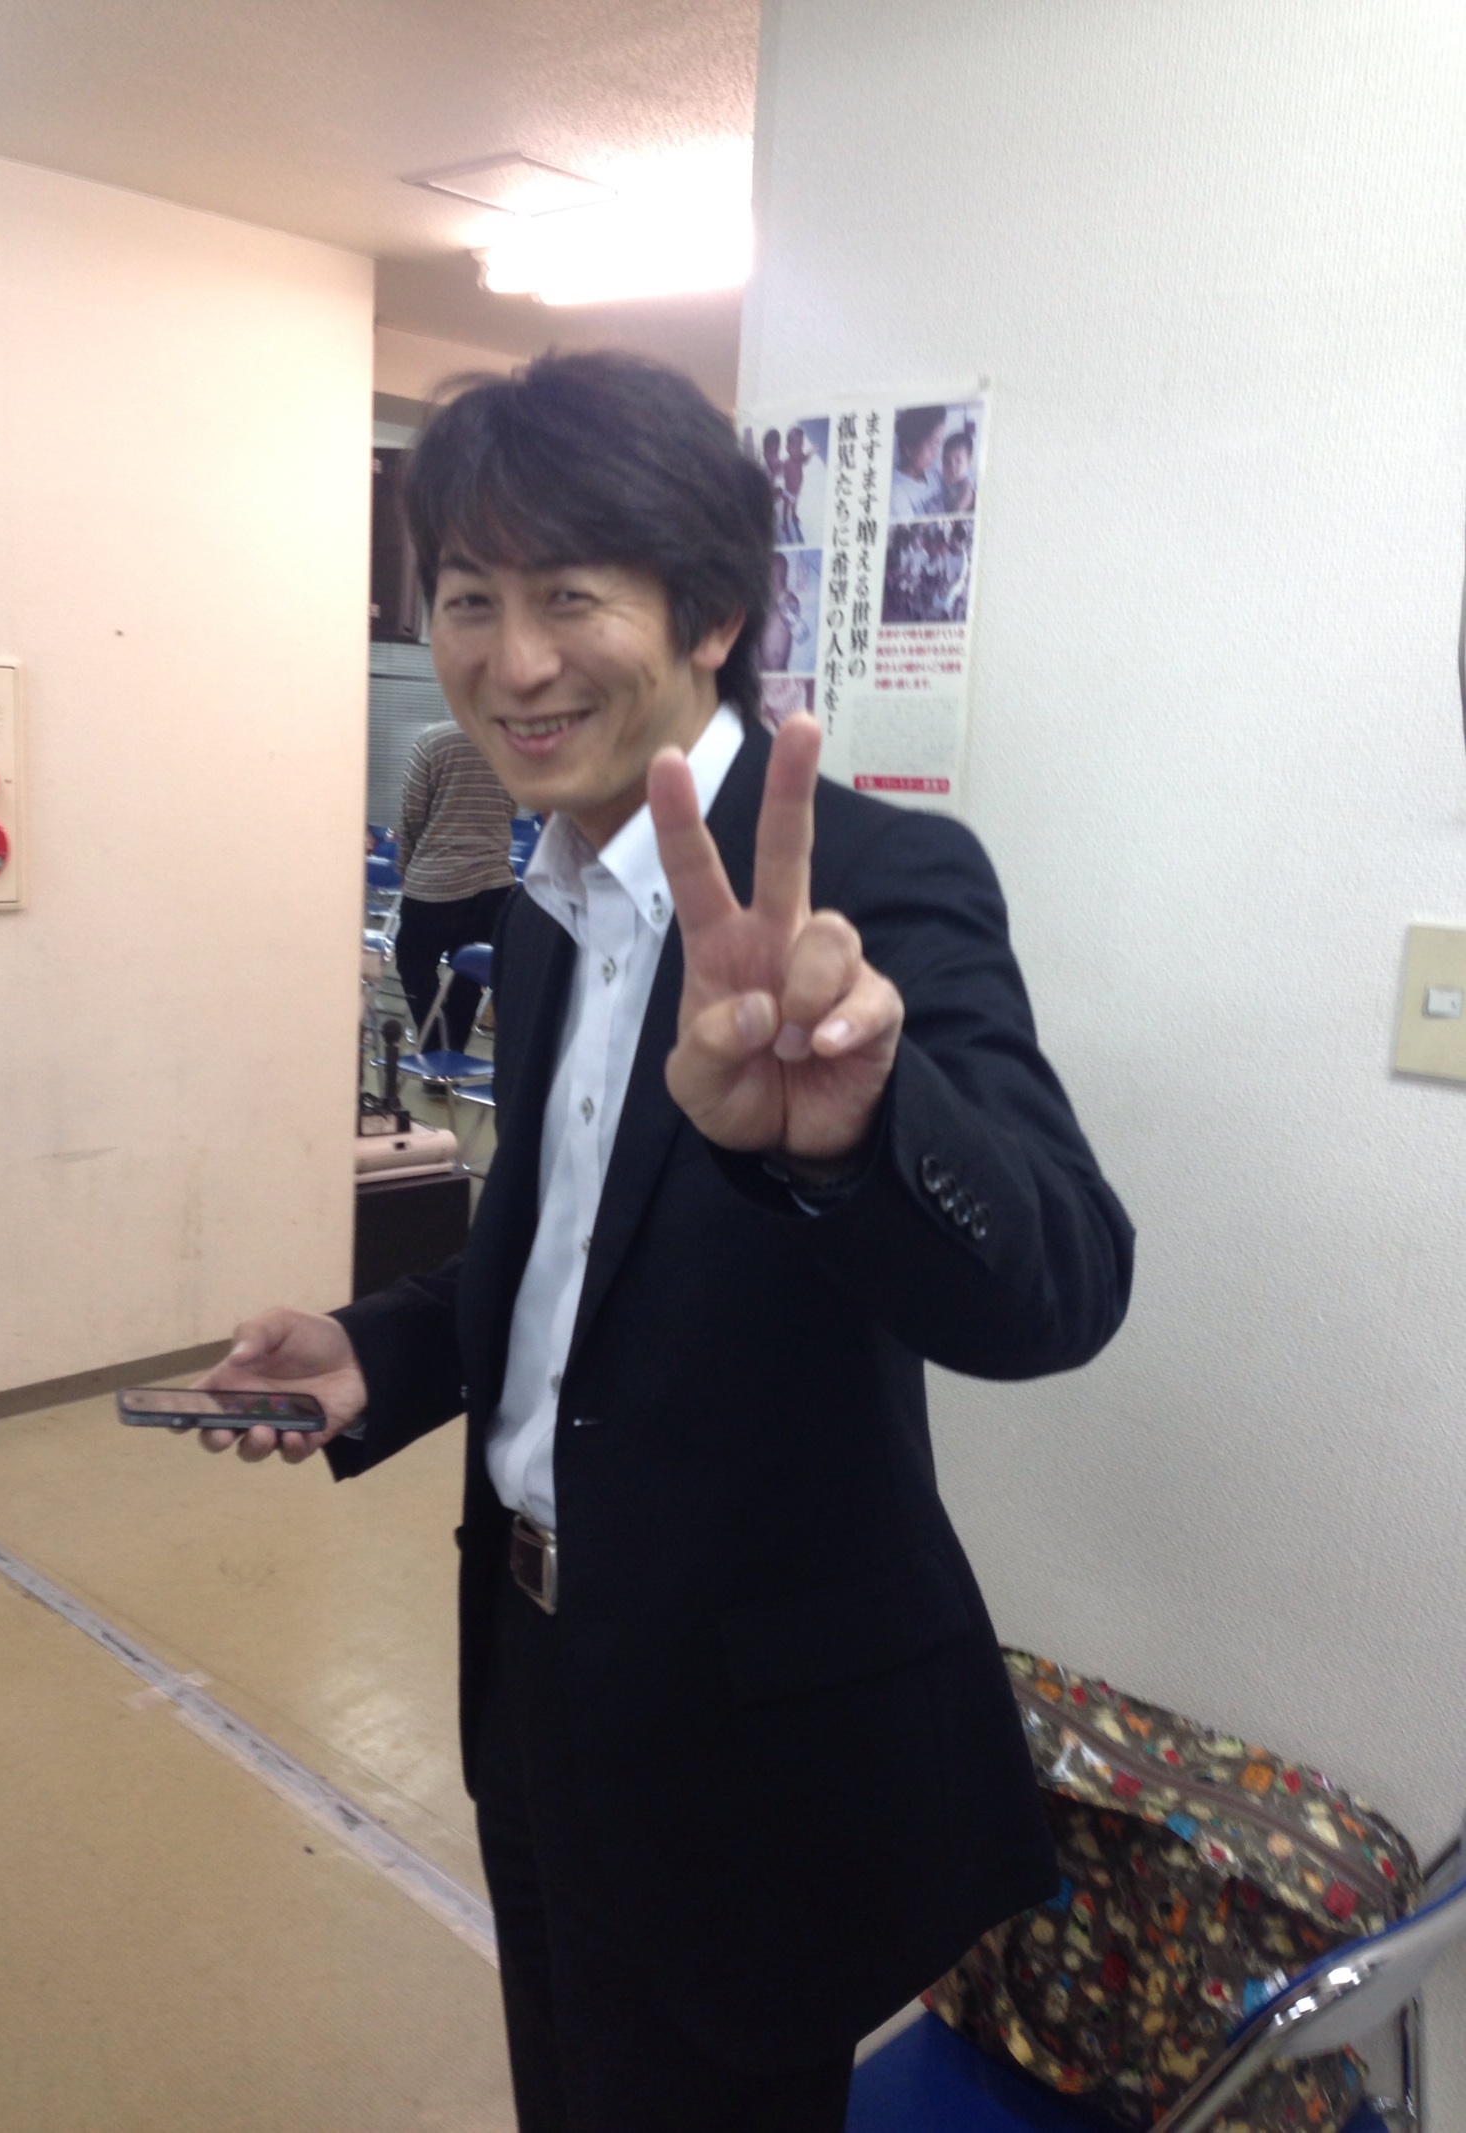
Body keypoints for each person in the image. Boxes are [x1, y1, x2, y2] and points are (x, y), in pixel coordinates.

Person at [195, 350, 1134, 2133]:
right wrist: (379, 1349)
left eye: (568, 594)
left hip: (750, 1740)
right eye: (466, 597)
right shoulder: (550, 889)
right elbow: (557, 1253)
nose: (510, 659)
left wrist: (853, 1132)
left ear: (706, 613)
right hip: (533, 1667)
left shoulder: (870, 880)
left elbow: (1064, 1280)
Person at [392, 718, 517, 1051]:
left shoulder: (432, 741)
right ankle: (453, 1050)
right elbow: (512, 806)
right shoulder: (506, 741)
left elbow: (412, 813)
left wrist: (405, 866)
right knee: (470, 972)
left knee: (412, 960)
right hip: (493, 882)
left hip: (436, 880)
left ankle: (434, 1043)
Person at [888, 402, 946, 518]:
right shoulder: (896, 492)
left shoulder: (932, 471)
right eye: (932, 444)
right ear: (909, 449)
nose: (936, 453)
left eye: (938, 444)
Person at [935, 425, 977, 515]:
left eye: (958, 461)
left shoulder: (966, 486)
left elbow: (957, 512)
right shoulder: (941, 479)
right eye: (947, 461)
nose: (952, 467)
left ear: (969, 463)